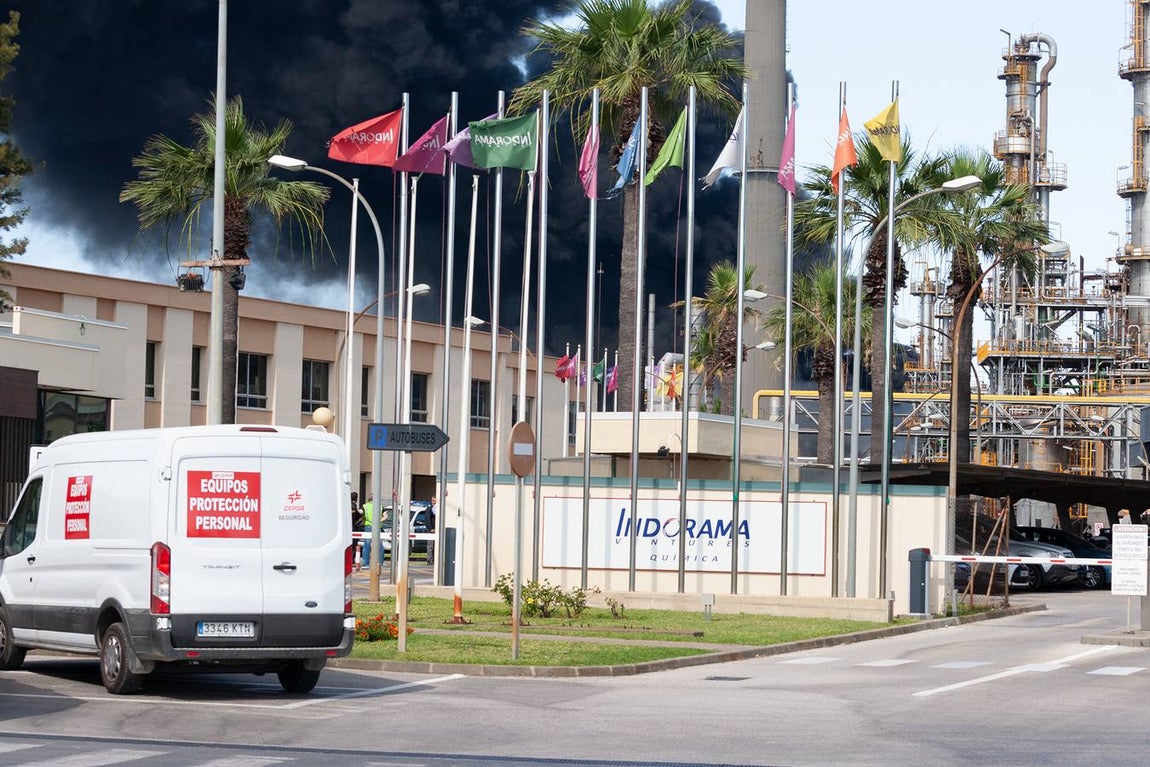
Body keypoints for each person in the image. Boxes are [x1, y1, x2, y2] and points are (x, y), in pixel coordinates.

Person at [350, 492, 364, 570]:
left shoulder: (346, 504)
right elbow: (357, 516)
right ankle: (352, 560)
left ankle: (350, 560)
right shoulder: (354, 506)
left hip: (348, 527)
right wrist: (361, 513)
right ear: (356, 498)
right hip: (353, 528)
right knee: (354, 545)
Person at [361, 494, 375, 568]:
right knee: (379, 545)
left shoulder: (364, 506)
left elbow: (360, 513)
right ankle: (380, 562)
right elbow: (385, 516)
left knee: (367, 544)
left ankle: (366, 563)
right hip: (377, 526)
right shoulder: (379, 506)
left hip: (368, 525)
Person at [425, 496, 437, 567]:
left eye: (435, 501)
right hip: (431, 530)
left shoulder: (438, 509)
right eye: (433, 500)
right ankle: (430, 560)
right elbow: (427, 520)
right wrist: (430, 528)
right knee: (430, 546)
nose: (434, 502)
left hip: (437, 530)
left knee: (436, 546)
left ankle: (436, 560)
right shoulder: (429, 509)